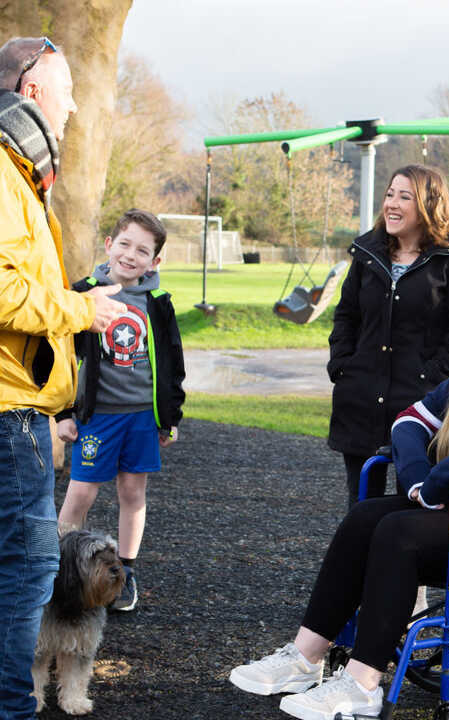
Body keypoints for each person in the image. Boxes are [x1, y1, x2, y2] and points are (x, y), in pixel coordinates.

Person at [230, 297, 449, 720]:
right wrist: (420, 475)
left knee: (399, 534)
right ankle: (306, 656)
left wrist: (444, 475)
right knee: (364, 517)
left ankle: (362, 684)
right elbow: (407, 422)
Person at [0, 36, 126, 718]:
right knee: (28, 574)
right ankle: (14, 706)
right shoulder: (2, 172)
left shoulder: (20, 174)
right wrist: (79, 308)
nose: (76, 105)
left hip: (20, 408)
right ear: (31, 90)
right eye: (67, 89)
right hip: (6, 413)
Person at [327, 164, 449, 508]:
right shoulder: (367, 255)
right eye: (389, 194)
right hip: (362, 396)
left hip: (420, 403)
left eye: (405, 197)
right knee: (361, 501)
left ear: (429, 205)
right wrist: (343, 366)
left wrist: (429, 380)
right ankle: (360, 563)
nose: (392, 204)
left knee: (412, 503)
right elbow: (346, 315)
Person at [56, 209, 186, 612]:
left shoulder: (158, 303)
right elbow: (62, 355)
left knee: (133, 492)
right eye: (125, 244)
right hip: (98, 417)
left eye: (143, 250)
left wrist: (170, 417)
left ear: (155, 261)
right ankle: (59, 570)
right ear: (109, 245)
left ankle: (125, 573)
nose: (131, 255)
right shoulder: (84, 294)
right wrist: (63, 413)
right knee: (80, 493)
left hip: (141, 418)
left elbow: (171, 361)